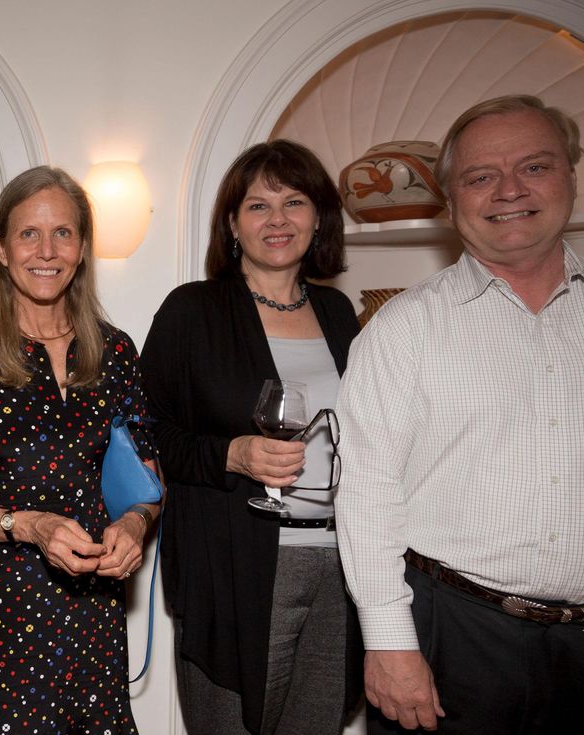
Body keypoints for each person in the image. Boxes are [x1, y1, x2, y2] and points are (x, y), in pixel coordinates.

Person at [335, 94, 584, 734]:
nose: (508, 191)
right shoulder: (403, 327)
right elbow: (367, 490)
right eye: (480, 176)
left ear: (571, 177)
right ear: (451, 200)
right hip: (454, 639)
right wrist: (388, 640)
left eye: (534, 167)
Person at [0, 165, 161, 734]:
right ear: (1, 249)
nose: (47, 251)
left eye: (63, 233)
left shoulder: (115, 352)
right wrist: (29, 525)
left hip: (95, 619)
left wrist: (134, 526)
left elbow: (148, 482)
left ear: (81, 249)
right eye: (28, 234)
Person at [140, 140, 363, 735]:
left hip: (341, 563)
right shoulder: (192, 311)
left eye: (294, 202)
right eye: (258, 206)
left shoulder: (340, 313)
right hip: (233, 564)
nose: (278, 219)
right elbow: (147, 434)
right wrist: (232, 454)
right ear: (233, 224)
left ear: (318, 218)